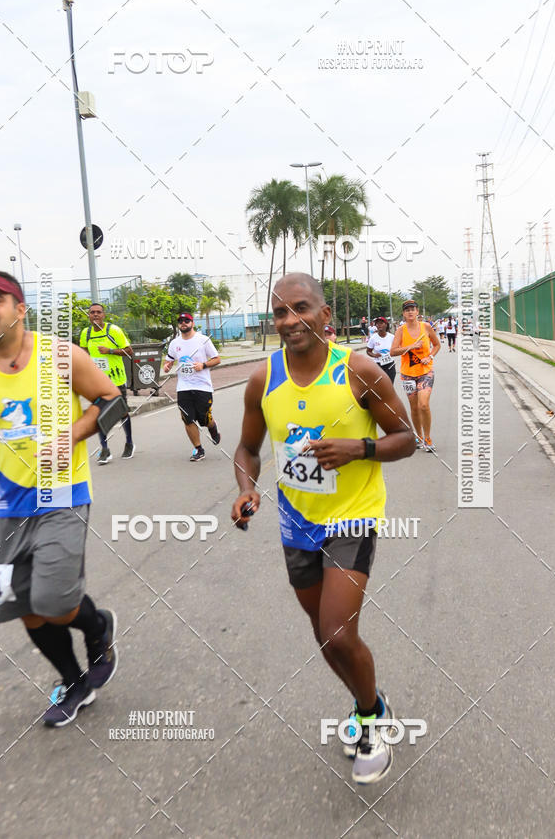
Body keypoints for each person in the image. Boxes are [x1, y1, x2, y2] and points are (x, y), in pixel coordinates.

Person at [231, 273, 415, 784]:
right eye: (280, 313)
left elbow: (407, 438)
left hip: (352, 516)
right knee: (324, 636)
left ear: (325, 315)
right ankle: (370, 702)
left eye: (301, 308)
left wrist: (360, 448)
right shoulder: (262, 379)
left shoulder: (357, 370)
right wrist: (246, 488)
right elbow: (247, 448)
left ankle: (372, 723)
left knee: (337, 628)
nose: (290, 321)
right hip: (297, 523)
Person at [0, 270, 121, 726]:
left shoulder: (60, 356)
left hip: (62, 495)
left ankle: (98, 627)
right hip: (5, 505)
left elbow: (113, 400)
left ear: (20, 309)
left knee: (54, 600)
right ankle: (73, 683)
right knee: (20, 607)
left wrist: (71, 435)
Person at [79, 303, 134, 463]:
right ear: (88, 315)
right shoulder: (85, 333)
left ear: (103, 315)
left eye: (98, 312)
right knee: (98, 414)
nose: (95, 315)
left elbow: (129, 351)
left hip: (116, 379)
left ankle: (129, 443)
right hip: (97, 382)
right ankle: (105, 449)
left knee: (122, 412)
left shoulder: (113, 331)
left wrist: (110, 351)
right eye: (92, 312)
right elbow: (84, 354)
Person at [163, 313, 222, 461]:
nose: (183, 323)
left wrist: (203, 365)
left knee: (204, 418)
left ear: (192, 323)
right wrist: (167, 366)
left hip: (202, 386)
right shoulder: (174, 343)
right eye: (181, 321)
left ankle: (212, 427)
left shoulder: (203, 340)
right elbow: (169, 360)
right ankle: (198, 449)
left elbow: (217, 359)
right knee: (187, 419)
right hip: (183, 387)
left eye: (186, 321)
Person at [390, 299, 440, 452]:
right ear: (404, 314)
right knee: (414, 408)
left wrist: (430, 357)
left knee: (423, 404)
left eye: (413, 309)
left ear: (418, 312)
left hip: (425, 371)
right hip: (407, 374)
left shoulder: (426, 327)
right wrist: (411, 346)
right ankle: (418, 437)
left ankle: (427, 438)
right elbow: (393, 352)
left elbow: (437, 345)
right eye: (407, 310)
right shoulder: (401, 330)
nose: (410, 312)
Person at [366, 316, 396, 384]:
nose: (379, 325)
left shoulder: (392, 337)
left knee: (390, 385)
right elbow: (368, 351)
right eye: (377, 323)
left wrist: (393, 352)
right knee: (380, 385)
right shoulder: (373, 338)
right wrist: (374, 355)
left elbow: (397, 349)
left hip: (390, 364)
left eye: (381, 323)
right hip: (378, 365)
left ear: (386, 324)